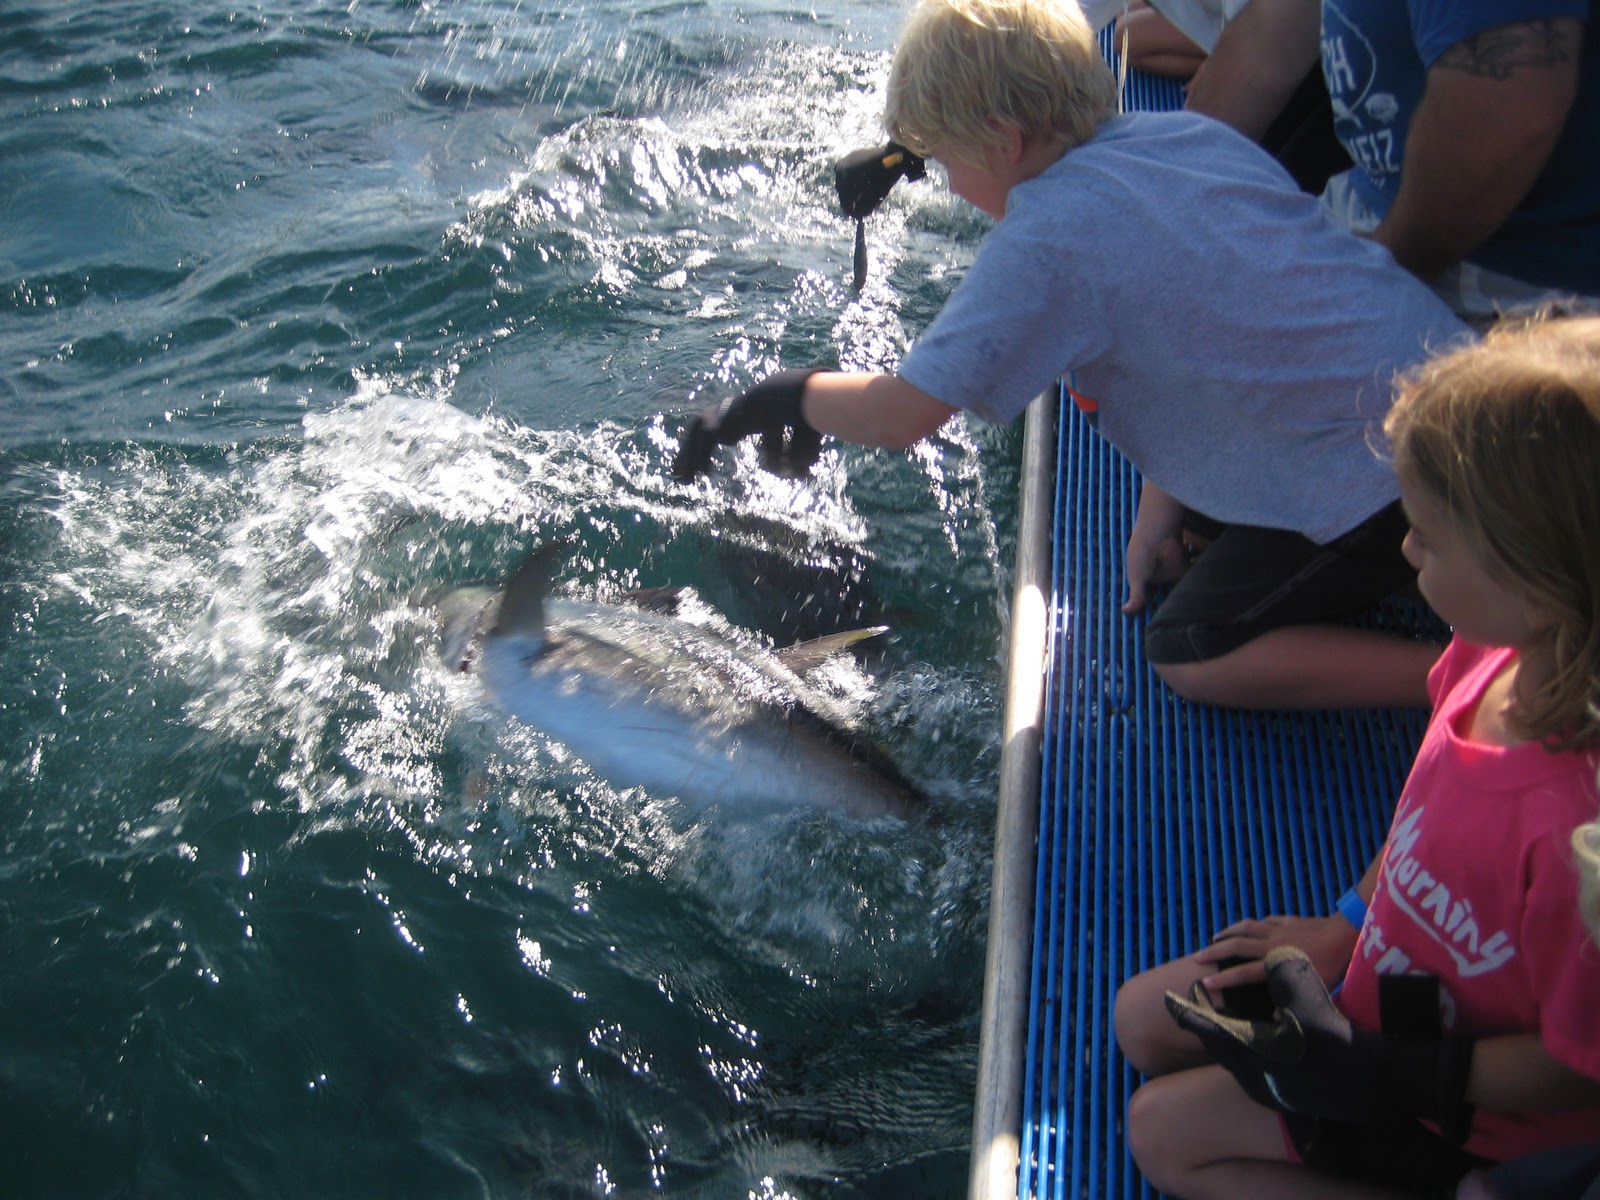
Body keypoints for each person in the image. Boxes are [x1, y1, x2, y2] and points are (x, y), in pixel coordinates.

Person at [671, 0, 1469, 712]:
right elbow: (1234, 327)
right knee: (1212, 550)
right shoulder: (1183, 134)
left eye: (946, 162)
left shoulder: (1047, 240)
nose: (947, 184)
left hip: (1402, 479)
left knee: (1193, 649)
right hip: (1464, 397)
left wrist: (773, 397)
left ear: (1005, 142)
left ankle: (1478, 681)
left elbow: (902, 412)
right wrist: (1166, 507)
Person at [1111, 314, 1600, 1199]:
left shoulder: (1580, 837)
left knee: (1164, 1138)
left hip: (1460, 1102)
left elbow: (1580, 1069)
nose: (1406, 552)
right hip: (1384, 991)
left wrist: (1381, 1071)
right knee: (1140, 1020)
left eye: (1429, 539)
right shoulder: (1489, 655)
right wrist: (1343, 928)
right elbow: (1422, 817)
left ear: (1535, 581)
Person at [1190, 2, 1600, 319]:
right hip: (1369, 232)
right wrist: (1167, 188)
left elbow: (1507, 105)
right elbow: (1268, 39)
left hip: (1513, 299)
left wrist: (1373, 278)